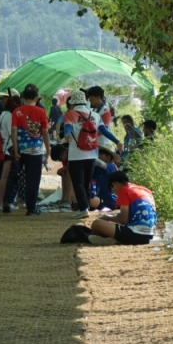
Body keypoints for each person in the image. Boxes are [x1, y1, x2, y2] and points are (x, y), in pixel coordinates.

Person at [64, 90, 123, 220]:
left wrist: (67, 134)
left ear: (73, 103)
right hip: (92, 155)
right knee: (86, 183)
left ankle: (84, 208)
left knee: (78, 183)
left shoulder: (70, 114)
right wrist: (117, 141)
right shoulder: (95, 115)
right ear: (85, 101)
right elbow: (104, 131)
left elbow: (67, 127)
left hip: (76, 155)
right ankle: (86, 207)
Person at [10, 84, 51, 216]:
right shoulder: (41, 111)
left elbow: (13, 131)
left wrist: (15, 149)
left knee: (14, 176)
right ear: (36, 98)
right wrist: (48, 150)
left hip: (20, 150)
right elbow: (45, 132)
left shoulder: (17, 111)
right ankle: (31, 208)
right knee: (33, 180)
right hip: (36, 151)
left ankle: (8, 201)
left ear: (22, 98)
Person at [88, 171, 158, 245]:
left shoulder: (123, 190)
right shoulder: (145, 190)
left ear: (115, 185)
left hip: (134, 234)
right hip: (150, 235)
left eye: (112, 191)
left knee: (96, 224)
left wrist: (106, 218)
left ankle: (113, 239)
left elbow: (123, 220)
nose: (116, 195)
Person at [0, 89, 21, 213]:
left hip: (5, 147)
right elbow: (13, 133)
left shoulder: (3, 113)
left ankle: (0, 202)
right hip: (10, 148)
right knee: (6, 177)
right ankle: (4, 202)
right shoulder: (10, 115)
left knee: (3, 176)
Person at [89, 142, 121, 212]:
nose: (99, 155)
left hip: (109, 200)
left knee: (90, 200)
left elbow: (102, 164)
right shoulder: (98, 168)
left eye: (101, 153)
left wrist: (90, 156)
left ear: (108, 157)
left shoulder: (111, 166)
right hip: (99, 197)